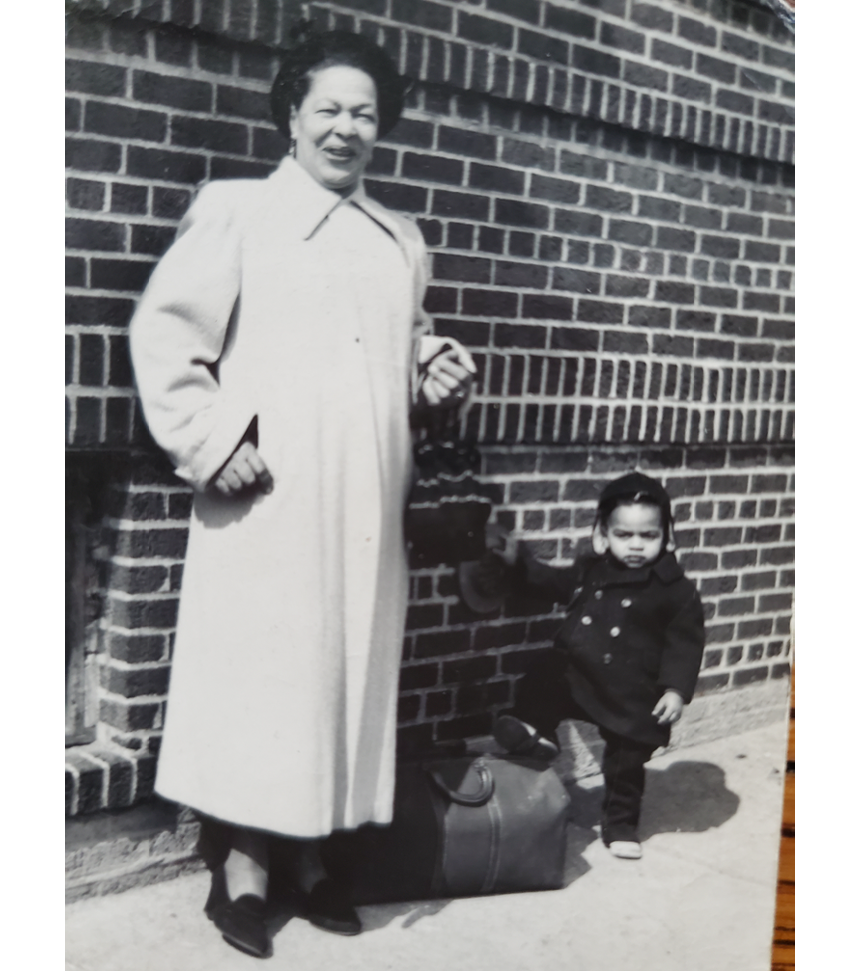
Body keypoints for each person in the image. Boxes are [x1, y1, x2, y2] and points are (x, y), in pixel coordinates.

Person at [129, 29, 475, 958]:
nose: (345, 127)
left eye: (364, 112)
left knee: (341, 674)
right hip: (268, 496)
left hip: (367, 502)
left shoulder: (402, 237)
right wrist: (210, 440)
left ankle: (313, 853)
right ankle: (242, 862)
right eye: (327, 108)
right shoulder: (239, 212)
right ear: (291, 114)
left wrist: (429, 365)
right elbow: (167, 340)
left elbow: (393, 345)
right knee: (264, 673)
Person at [475, 472, 705, 861]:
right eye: (623, 534)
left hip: (632, 694)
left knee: (625, 765)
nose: (635, 545)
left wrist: (675, 689)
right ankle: (537, 730)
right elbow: (551, 582)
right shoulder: (592, 569)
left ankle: (620, 826)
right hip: (580, 676)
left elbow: (685, 643)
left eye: (647, 536)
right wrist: (519, 563)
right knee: (545, 672)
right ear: (602, 535)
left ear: (667, 537)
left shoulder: (675, 590)